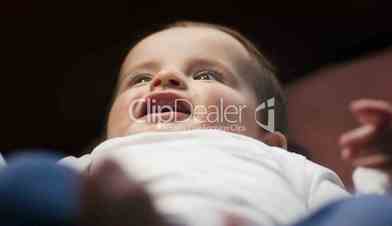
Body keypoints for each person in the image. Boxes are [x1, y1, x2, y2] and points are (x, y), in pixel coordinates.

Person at [61, 21, 349, 226]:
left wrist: (390, 174)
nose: (165, 78)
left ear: (267, 138)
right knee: (30, 174)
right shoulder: (95, 162)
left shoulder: (285, 163)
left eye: (206, 76)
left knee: (372, 210)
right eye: (140, 79)